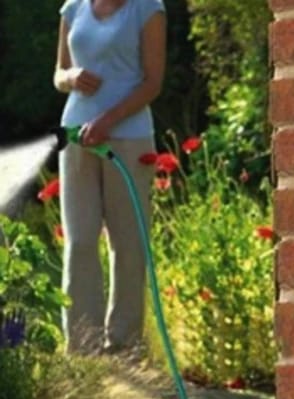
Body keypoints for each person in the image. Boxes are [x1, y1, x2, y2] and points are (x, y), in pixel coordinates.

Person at [54, 0, 166, 354]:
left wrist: (108, 120)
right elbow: (58, 73)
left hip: (129, 137)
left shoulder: (147, 9)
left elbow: (153, 82)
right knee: (80, 240)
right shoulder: (73, 9)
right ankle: (83, 348)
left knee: (128, 242)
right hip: (75, 136)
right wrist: (70, 77)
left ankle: (124, 345)